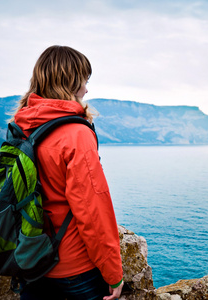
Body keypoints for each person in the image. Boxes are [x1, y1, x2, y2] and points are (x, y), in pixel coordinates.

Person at [12, 45, 124, 300]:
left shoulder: (22, 126)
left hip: (31, 260)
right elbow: (93, 211)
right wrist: (113, 272)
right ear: (71, 83)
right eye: (85, 80)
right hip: (73, 269)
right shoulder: (76, 134)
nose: (87, 89)